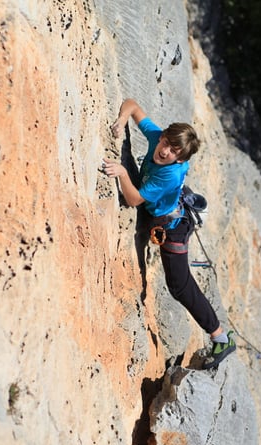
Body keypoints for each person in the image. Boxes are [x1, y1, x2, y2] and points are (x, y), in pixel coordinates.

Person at [102, 98, 235, 369]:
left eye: (173, 151)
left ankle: (221, 338)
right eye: (165, 143)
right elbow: (132, 105)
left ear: (180, 159)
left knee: (180, 287)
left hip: (172, 227)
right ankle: (220, 336)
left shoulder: (169, 176)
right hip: (172, 211)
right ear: (162, 135)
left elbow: (134, 199)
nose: (164, 151)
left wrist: (123, 173)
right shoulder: (158, 139)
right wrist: (122, 119)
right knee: (180, 286)